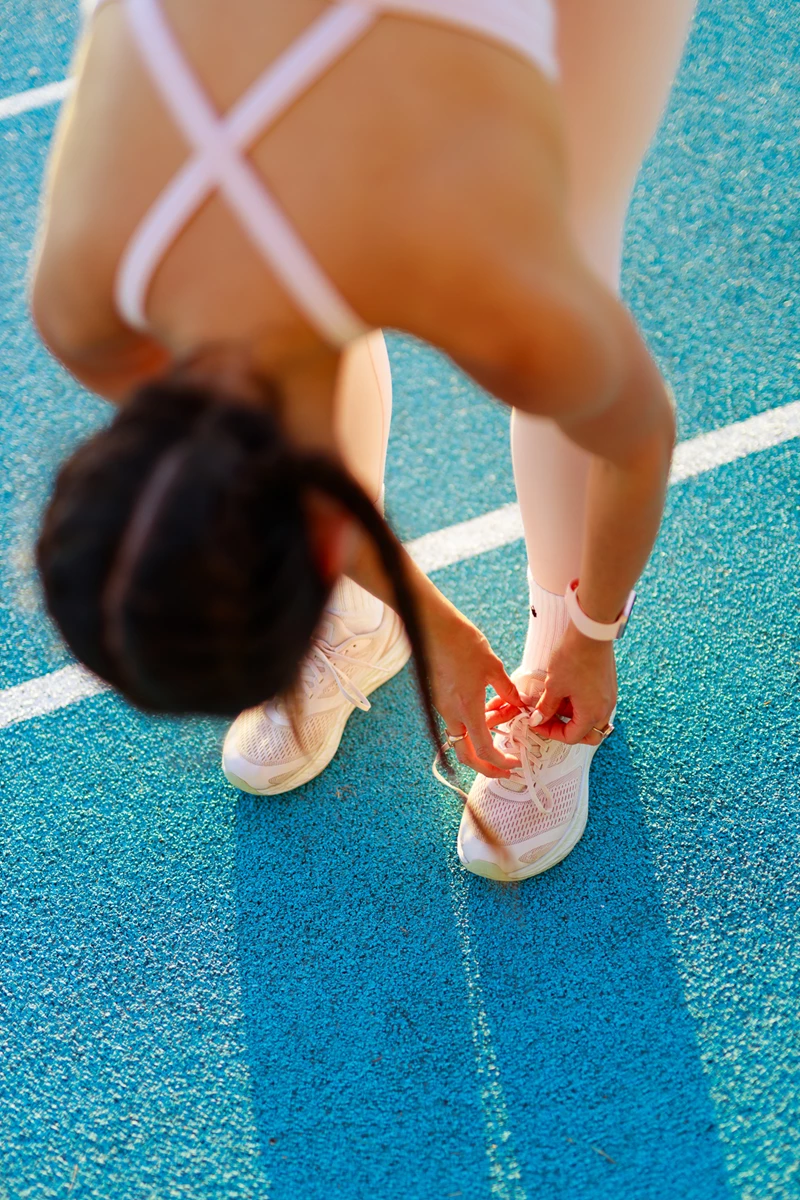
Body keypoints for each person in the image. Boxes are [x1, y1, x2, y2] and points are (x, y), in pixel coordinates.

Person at [31, 0, 695, 880]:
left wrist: (592, 630)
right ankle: (366, 619)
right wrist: (434, 628)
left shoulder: (489, 277)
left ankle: (553, 648)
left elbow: (635, 441)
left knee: (579, 218)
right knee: (290, 311)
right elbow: (282, 416)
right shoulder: (81, 304)